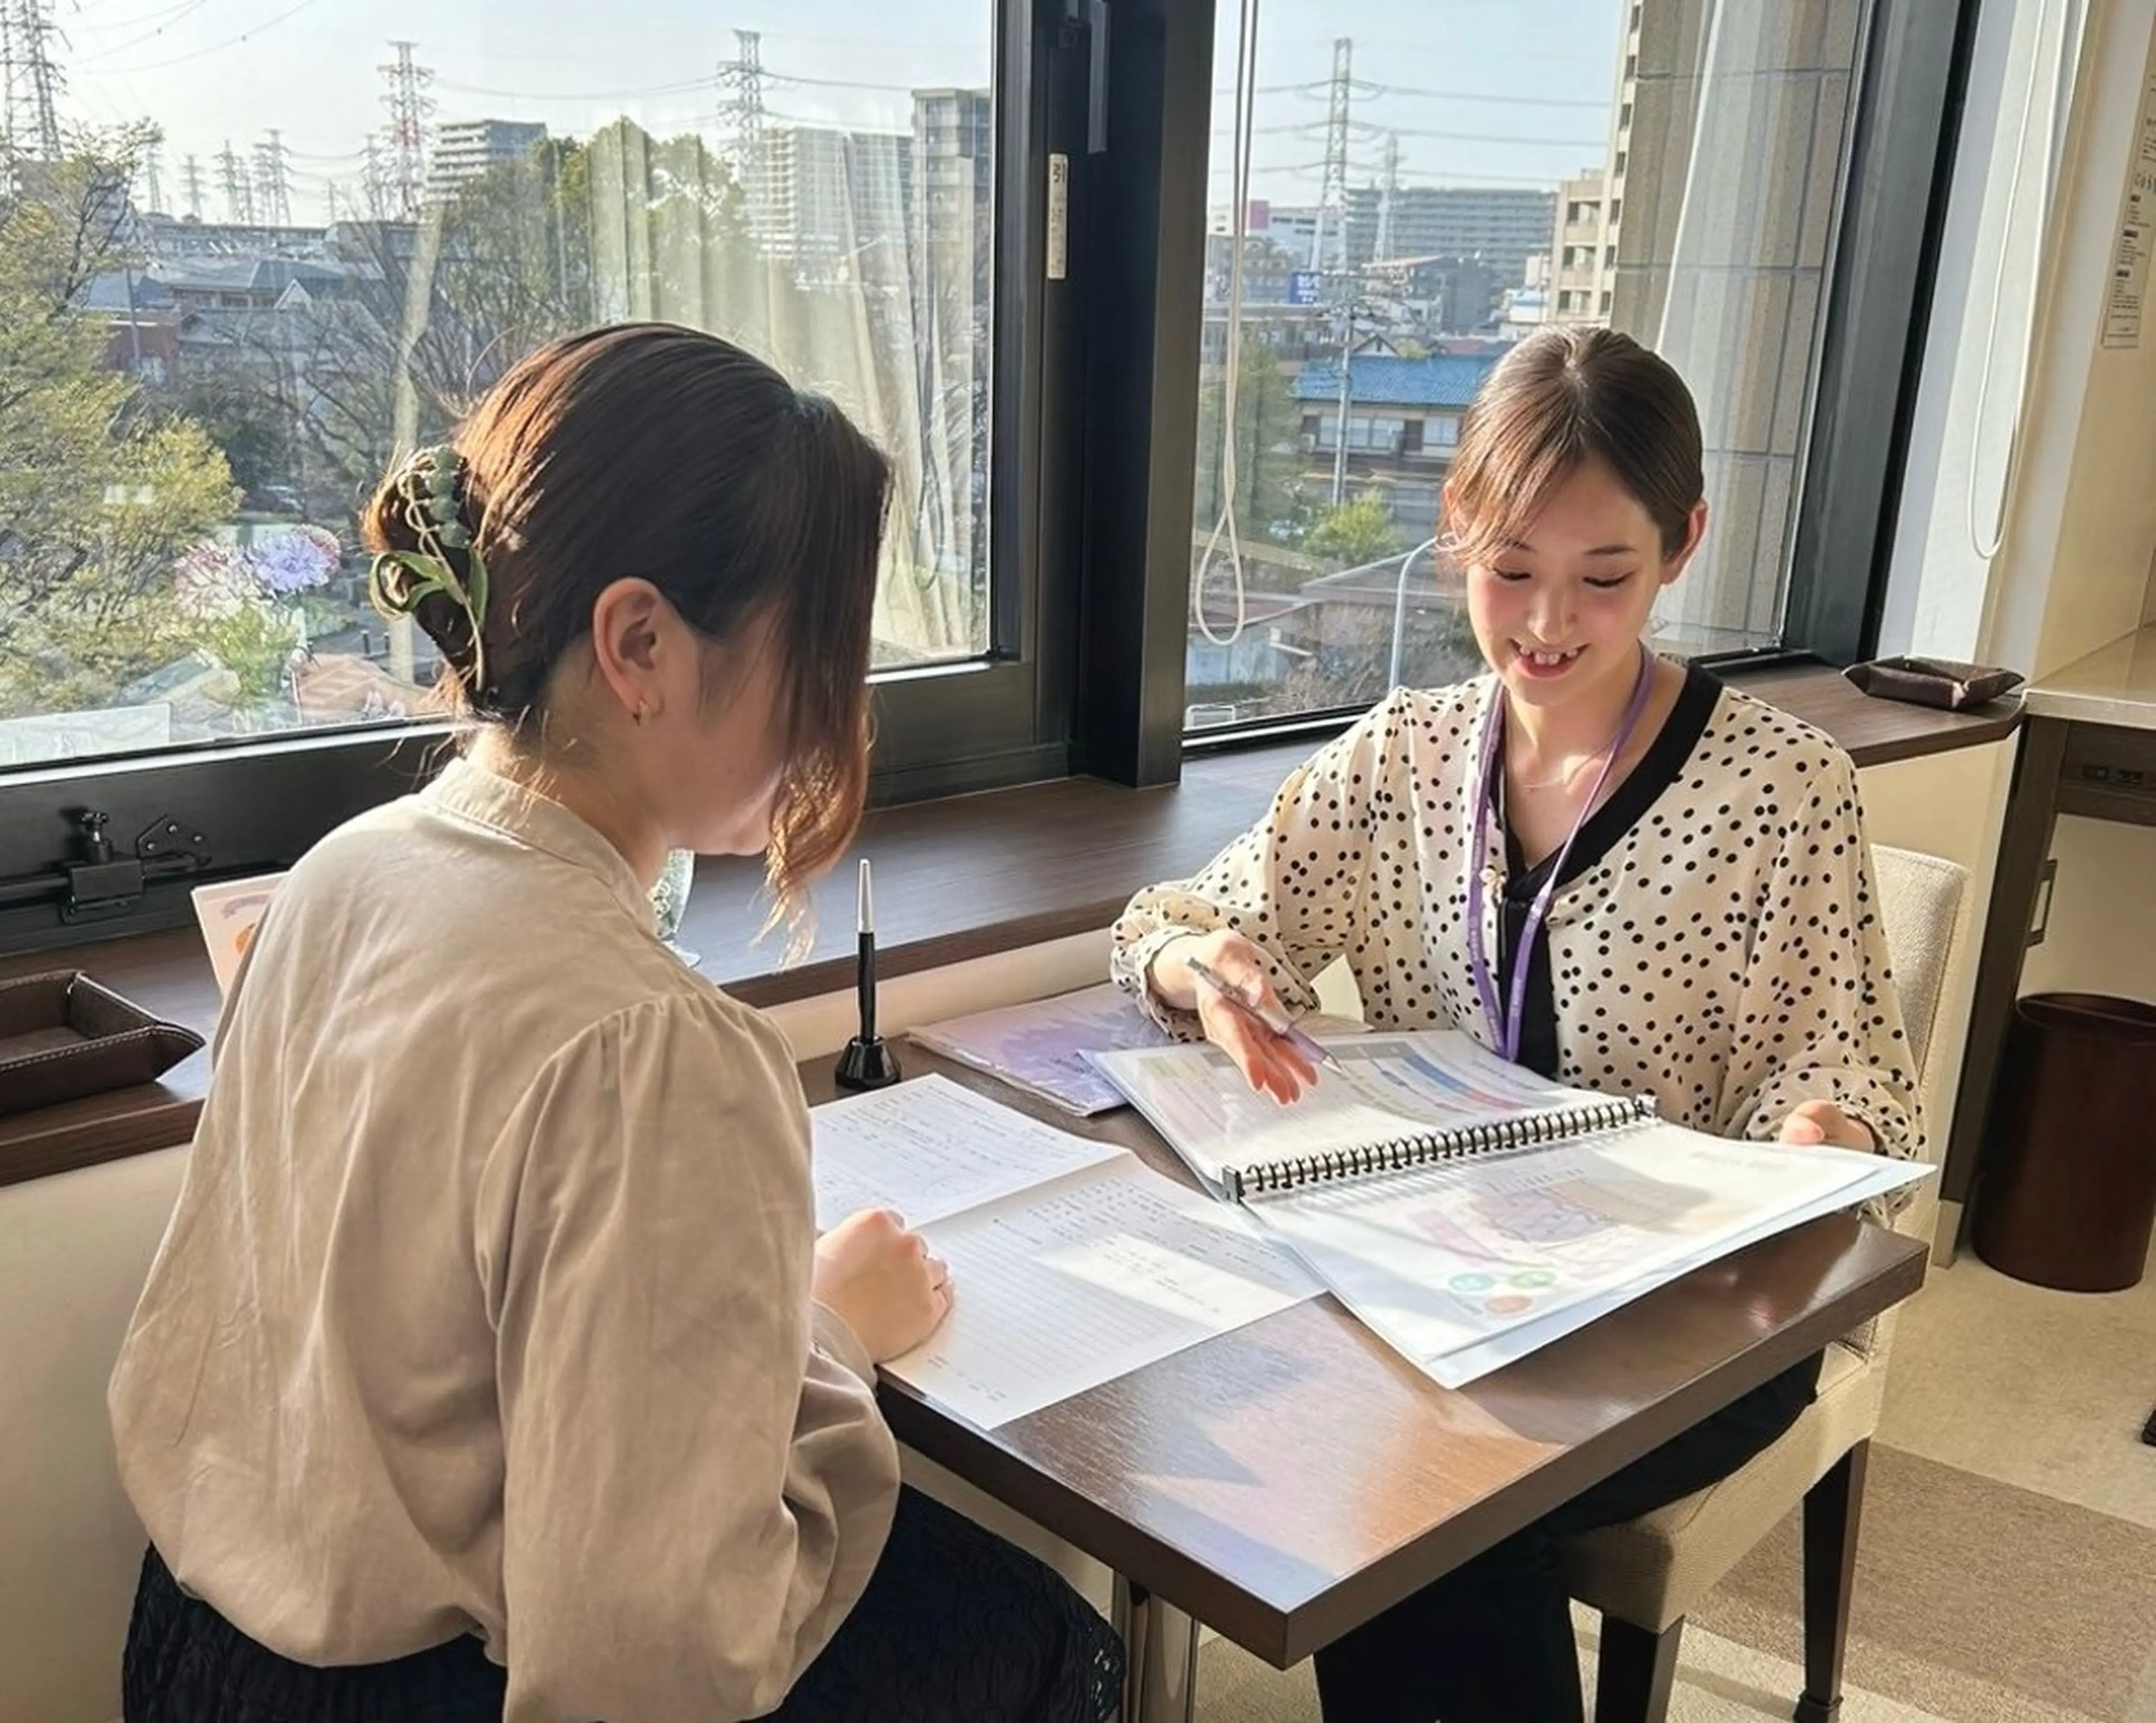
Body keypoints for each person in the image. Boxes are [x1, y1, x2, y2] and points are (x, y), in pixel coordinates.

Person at [109, 324, 1123, 1723]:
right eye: (822, 653)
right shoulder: (648, 1048)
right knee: (1043, 1635)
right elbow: (654, 1663)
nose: (839, 712)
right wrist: (827, 1335)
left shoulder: (346, 872)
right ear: (640, 644)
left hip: (191, 1645)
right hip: (426, 1692)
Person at [1111, 326, 1921, 1723]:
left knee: (1426, 1514)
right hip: (1447, 1272)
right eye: (1509, 571)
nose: (1547, 624)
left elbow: (1841, 1066)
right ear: (1455, 534)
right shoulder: (1409, 752)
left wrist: (1815, 1135)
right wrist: (1204, 968)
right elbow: (1171, 920)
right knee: (1343, 1447)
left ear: (1682, 544)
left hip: (1690, 1311)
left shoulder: (1783, 786)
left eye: (1604, 577)